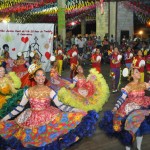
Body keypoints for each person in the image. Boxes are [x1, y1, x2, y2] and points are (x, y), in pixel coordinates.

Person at [0, 64, 98, 149]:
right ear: (34, 77)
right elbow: (19, 107)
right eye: (38, 75)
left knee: (49, 140)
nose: (41, 77)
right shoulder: (28, 91)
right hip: (30, 119)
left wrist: (77, 109)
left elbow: (62, 106)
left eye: (43, 75)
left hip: (48, 117)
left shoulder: (49, 91)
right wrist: (4, 118)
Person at [99, 68, 150, 150]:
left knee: (140, 130)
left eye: (138, 71)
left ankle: (139, 148)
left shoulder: (143, 84)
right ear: (132, 75)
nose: (139, 73)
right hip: (131, 109)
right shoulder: (128, 86)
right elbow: (121, 99)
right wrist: (115, 107)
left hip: (142, 107)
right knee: (129, 132)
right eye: (136, 72)